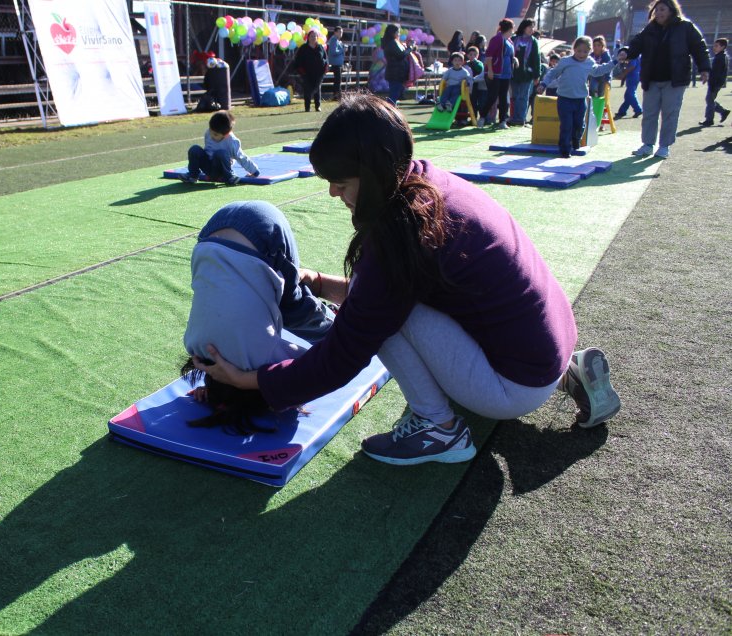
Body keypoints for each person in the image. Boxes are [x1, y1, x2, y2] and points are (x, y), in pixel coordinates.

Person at [193, 94, 621, 466]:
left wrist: (248, 381)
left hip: (516, 385)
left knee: (384, 318)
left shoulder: (403, 231)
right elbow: (407, 291)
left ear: (374, 172)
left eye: (340, 183)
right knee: (384, 303)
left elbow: (344, 352)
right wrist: (323, 283)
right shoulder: (426, 182)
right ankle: (572, 373)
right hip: (548, 346)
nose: (332, 194)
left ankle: (439, 429)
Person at [182, 201, 334, 432]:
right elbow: (223, 338)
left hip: (262, 232)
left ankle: (333, 321)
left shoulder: (261, 358)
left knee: (298, 314)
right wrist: (209, 387)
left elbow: (312, 369)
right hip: (209, 239)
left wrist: (285, 395)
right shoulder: (197, 352)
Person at [626, 0, 710, 159]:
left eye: (662, 9)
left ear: (671, 10)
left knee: (670, 113)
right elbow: (636, 44)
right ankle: (647, 144)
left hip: (675, 80)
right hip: (651, 79)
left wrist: (704, 68)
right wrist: (626, 53)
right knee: (650, 113)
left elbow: (699, 47)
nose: (658, 13)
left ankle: (664, 146)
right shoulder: (650, 29)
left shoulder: (685, 27)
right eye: (656, 10)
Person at [540, 36, 619, 158]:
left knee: (579, 124)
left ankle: (576, 139)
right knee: (566, 124)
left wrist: (614, 62)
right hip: (564, 98)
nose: (582, 54)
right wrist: (544, 84)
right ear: (574, 49)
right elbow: (553, 73)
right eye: (579, 51)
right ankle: (565, 149)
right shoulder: (565, 61)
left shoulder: (589, 62)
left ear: (589, 51)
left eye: (585, 52)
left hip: (580, 99)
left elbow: (599, 70)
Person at [178, 110, 259, 185]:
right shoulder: (209, 133)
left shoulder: (232, 141)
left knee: (220, 153)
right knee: (194, 149)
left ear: (226, 134)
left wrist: (254, 171)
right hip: (208, 167)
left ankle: (230, 177)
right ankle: (193, 176)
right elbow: (207, 151)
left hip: (221, 170)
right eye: (211, 131)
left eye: (216, 134)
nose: (212, 136)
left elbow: (241, 157)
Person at [482, 19, 516, 129]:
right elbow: (489, 56)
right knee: (492, 96)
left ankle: (502, 121)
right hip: (496, 73)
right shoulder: (496, 39)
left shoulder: (509, 41)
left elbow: (510, 55)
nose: (513, 30)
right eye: (512, 28)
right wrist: (490, 70)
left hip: (506, 74)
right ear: (509, 28)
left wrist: (514, 60)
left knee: (503, 98)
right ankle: (482, 117)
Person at [508, 18, 540, 126]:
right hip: (514, 72)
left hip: (527, 73)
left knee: (523, 96)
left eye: (533, 27)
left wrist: (536, 75)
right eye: (530, 27)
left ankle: (520, 118)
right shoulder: (514, 39)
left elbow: (536, 58)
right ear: (524, 27)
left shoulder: (534, 41)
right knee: (515, 95)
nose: (532, 29)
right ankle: (513, 117)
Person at [294, 30, 328, 112]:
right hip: (306, 73)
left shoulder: (320, 47)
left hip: (318, 73)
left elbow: (325, 58)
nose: (313, 38)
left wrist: (325, 67)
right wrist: (301, 71)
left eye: (315, 36)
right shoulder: (303, 48)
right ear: (308, 38)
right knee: (307, 90)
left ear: (317, 38)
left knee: (318, 89)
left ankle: (318, 106)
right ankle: (307, 107)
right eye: (311, 36)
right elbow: (298, 60)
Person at [701, 38, 729, 126]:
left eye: (716, 46)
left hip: (716, 82)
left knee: (710, 100)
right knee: (710, 100)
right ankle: (723, 112)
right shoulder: (721, 56)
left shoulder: (720, 58)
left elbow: (716, 73)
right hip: (717, 82)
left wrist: (713, 83)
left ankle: (709, 119)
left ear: (723, 47)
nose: (714, 47)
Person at [381, 24, 411, 105]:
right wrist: (409, 49)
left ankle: (391, 109)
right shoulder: (391, 43)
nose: (399, 34)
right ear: (392, 33)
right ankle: (389, 110)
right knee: (394, 94)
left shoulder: (392, 42)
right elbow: (400, 55)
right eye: (398, 32)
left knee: (396, 93)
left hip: (397, 72)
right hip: (395, 72)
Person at [613, 46, 643, 119]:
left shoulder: (633, 56)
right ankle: (622, 111)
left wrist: (623, 74)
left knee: (630, 94)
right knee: (628, 95)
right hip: (633, 76)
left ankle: (638, 109)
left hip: (633, 76)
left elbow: (632, 66)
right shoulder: (635, 56)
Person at [466, 46, 487, 117]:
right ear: (467, 55)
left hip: (478, 85)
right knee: (472, 102)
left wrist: (474, 62)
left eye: (475, 55)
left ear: (478, 55)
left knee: (480, 102)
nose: (472, 56)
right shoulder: (466, 64)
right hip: (470, 86)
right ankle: (473, 117)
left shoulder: (479, 63)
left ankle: (482, 116)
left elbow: (480, 69)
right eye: (471, 54)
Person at [327, 26, 346, 101]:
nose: (341, 34)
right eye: (339, 32)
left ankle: (337, 95)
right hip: (335, 64)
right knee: (337, 81)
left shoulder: (337, 41)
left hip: (338, 64)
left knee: (338, 80)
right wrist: (343, 50)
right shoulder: (334, 40)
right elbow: (333, 52)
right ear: (335, 32)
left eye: (342, 32)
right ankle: (336, 96)